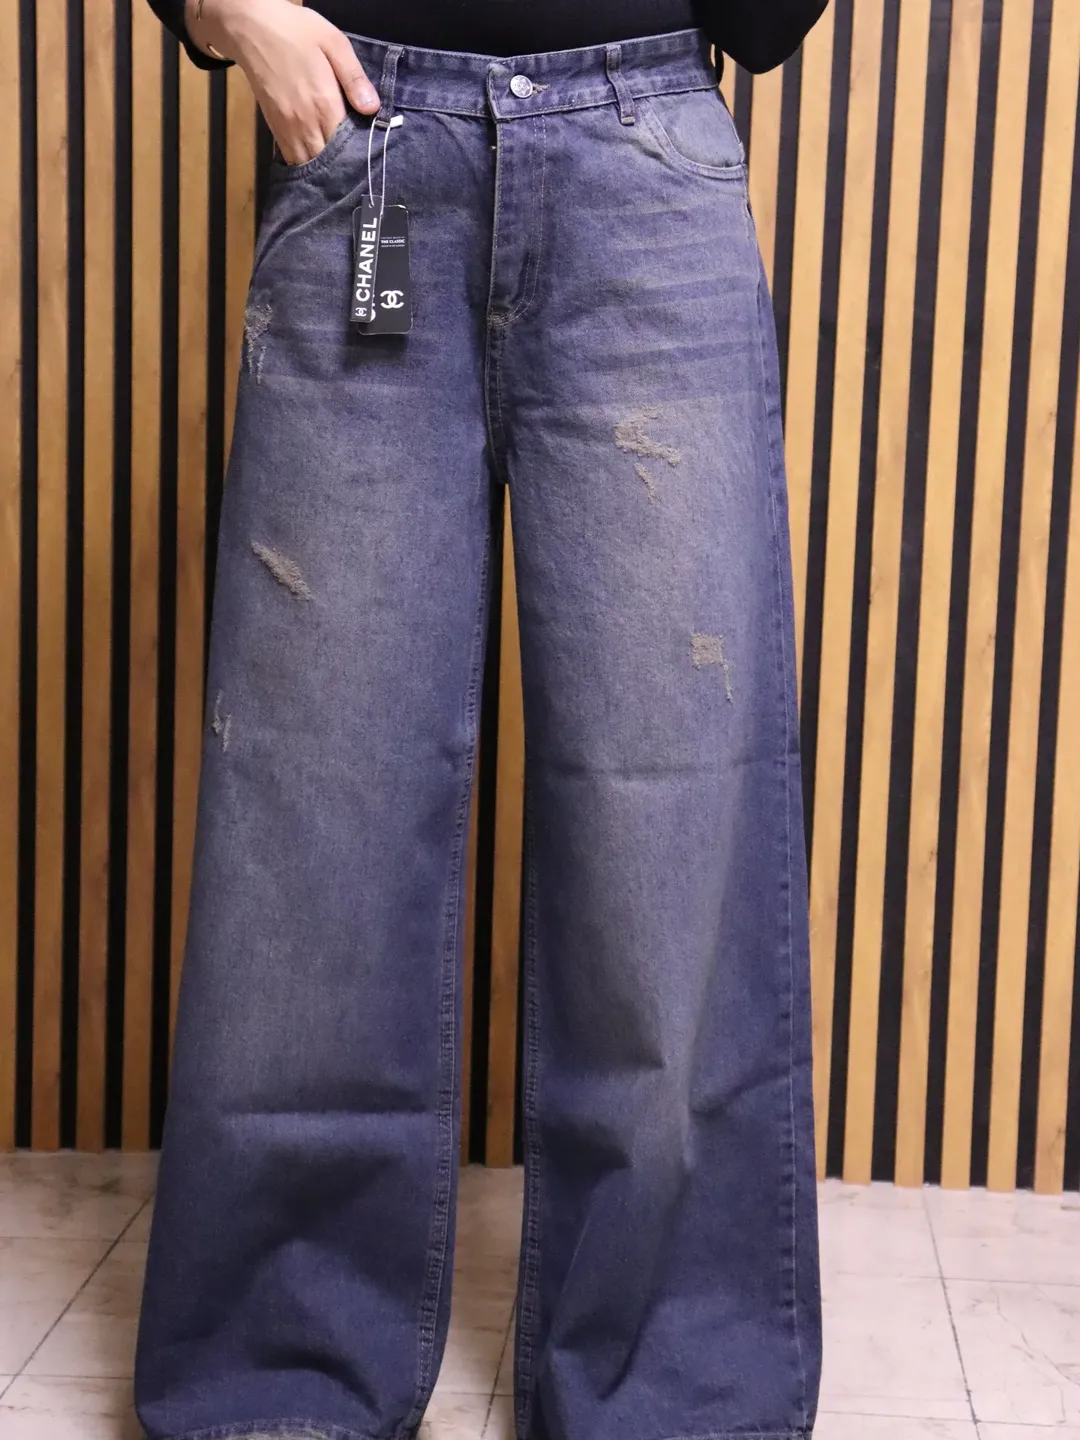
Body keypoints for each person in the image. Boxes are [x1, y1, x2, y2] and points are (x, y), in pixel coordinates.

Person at [132, 4, 829, 1440]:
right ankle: (282, 1379)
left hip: (646, 154)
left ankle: (671, 1395)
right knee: (319, 803)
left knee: (672, 819)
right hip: (368, 142)